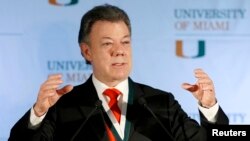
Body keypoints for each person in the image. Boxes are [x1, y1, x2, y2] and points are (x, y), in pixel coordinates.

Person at [8, 4, 229, 141]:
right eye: (107, 44)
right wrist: (38, 114)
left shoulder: (160, 103)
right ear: (87, 51)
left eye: (125, 42)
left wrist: (210, 109)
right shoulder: (63, 106)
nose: (119, 51)